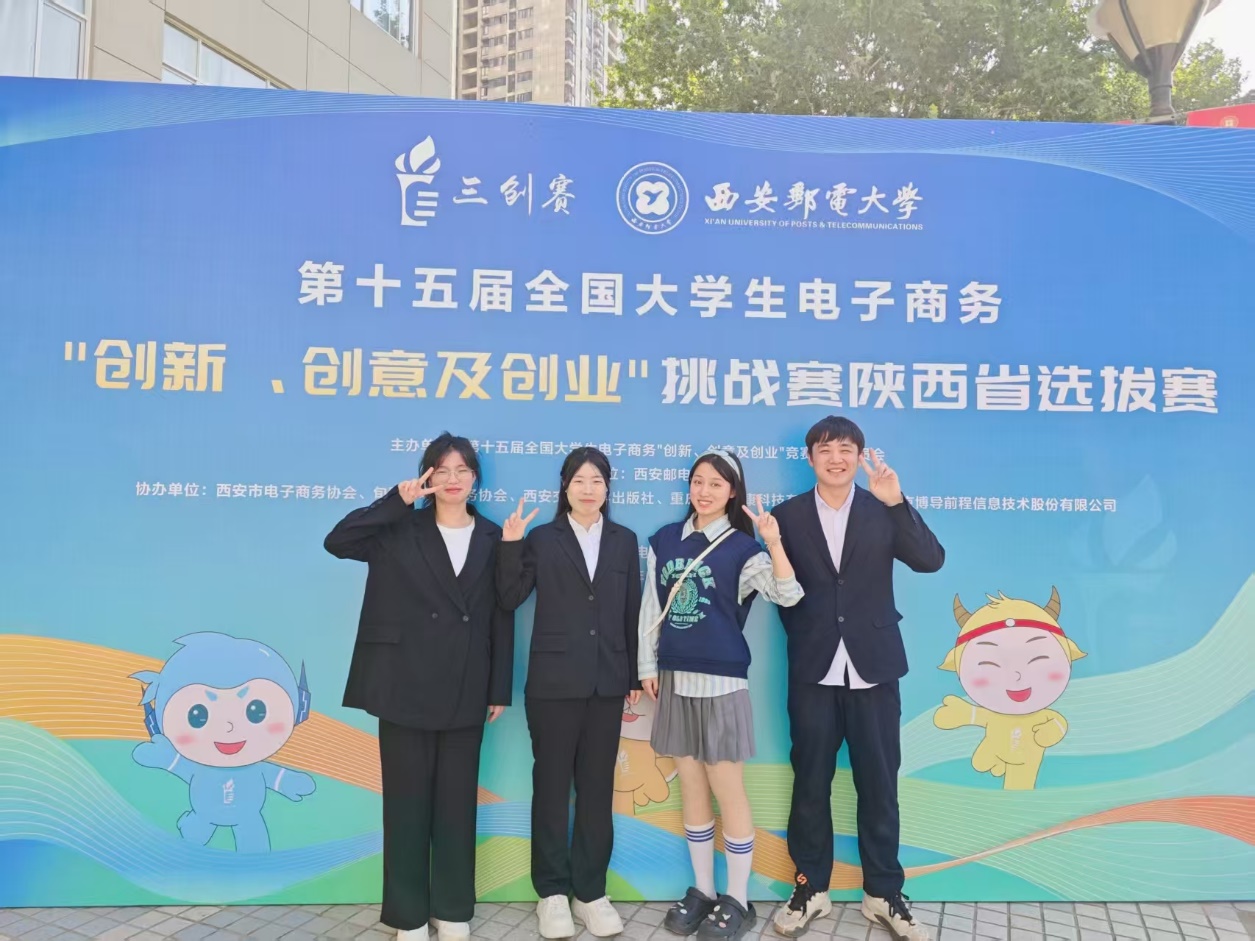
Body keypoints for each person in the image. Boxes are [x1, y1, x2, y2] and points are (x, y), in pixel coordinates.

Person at [323, 433, 514, 941]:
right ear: (426, 476)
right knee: (406, 806)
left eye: (462, 470)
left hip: (466, 682)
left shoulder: (493, 537)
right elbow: (338, 541)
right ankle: (408, 915)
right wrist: (396, 500)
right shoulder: (399, 527)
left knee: (456, 805)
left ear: (475, 479)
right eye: (441, 470)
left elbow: (501, 616)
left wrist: (498, 687)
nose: (453, 479)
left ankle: (452, 909)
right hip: (403, 681)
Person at [768, 417, 944, 941]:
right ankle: (811, 888)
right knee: (810, 783)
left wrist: (897, 502)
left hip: (875, 665)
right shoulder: (786, 516)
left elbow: (930, 560)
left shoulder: (881, 508)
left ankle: (883, 892)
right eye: (825, 450)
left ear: (860, 456)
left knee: (879, 783)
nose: (836, 458)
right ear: (810, 458)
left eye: (846, 449)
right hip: (814, 668)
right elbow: (781, 591)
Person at [639, 448, 804, 941]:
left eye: (715, 483)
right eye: (698, 481)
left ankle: (738, 899)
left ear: (733, 491)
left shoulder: (743, 549)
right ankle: (704, 890)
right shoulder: (665, 539)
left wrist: (773, 543)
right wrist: (647, 666)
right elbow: (651, 606)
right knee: (691, 786)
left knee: (728, 790)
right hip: (674, 680)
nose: (704, 491)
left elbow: (789, 594)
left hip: (722, 683)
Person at [496, 447, 643, 939]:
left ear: (608, 487)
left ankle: (591, 892)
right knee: (553, 788)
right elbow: (509, 597)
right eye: (579, 480)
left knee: (597, 790)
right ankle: (553, 893)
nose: (588, 489)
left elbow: (631, 609)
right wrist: (510, 545)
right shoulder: (543, 538)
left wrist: (633, 676)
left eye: (597, 480)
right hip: (553, 683)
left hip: (607, 681)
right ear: (565, 487)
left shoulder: (624, 541)